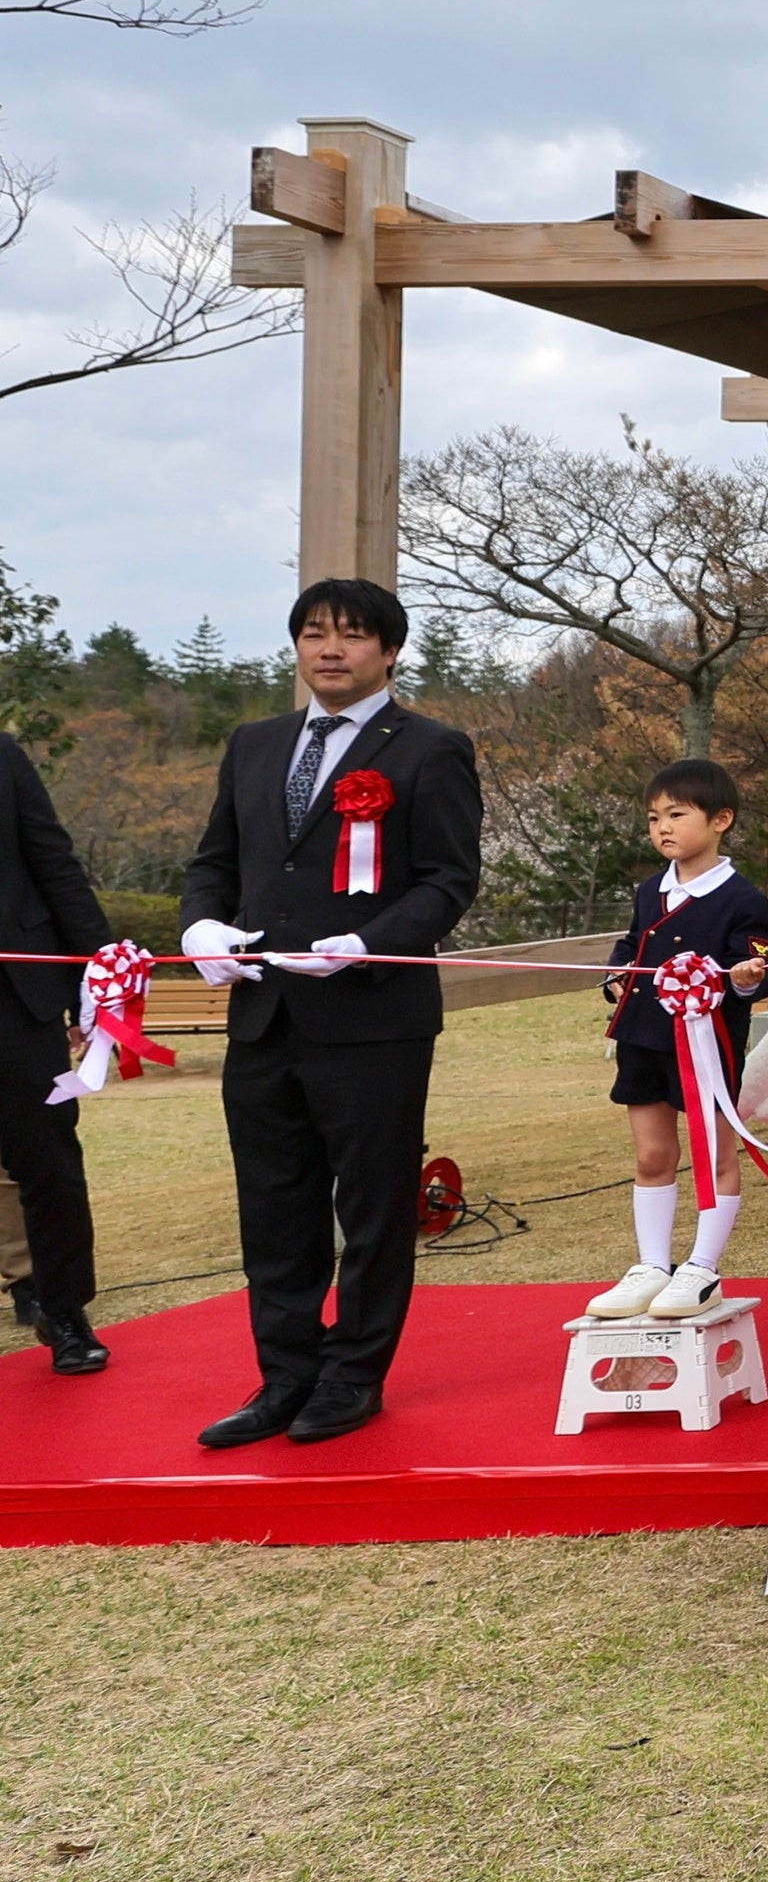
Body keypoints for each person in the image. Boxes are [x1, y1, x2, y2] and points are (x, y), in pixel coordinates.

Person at [177, 579, 481, 1447]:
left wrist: (367, 943)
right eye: (313, 633)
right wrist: (200, 925)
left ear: (390, 650)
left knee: (375, 1207)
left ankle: (353, 1376)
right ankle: (284, 1377)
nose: (330, 649)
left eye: (350, 634)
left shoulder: (429, 748)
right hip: (263, 1015)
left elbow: (449, 881)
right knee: (274, 1206)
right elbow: (216, 862)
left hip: (372, 1017)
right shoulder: (256, 743)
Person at [585, 759, 768, 1320]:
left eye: (676, 814)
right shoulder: (651, 890)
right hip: (642, 1038)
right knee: (651, 1155)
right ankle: (651, 1266)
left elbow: (758, 968)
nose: (662, 827)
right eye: (653, 818)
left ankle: (702, 1267)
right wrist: (618, 972)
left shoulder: (742, 898)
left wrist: (746, 976)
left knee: (714, 1155)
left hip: (707, 1047)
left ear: (721, 820)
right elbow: (631, 946)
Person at [0, 724, 114, 1374]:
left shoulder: (3, 755)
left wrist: (94, 985)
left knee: (48, 1162)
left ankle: (64, 1310)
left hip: (17, 998)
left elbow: (54, 864)